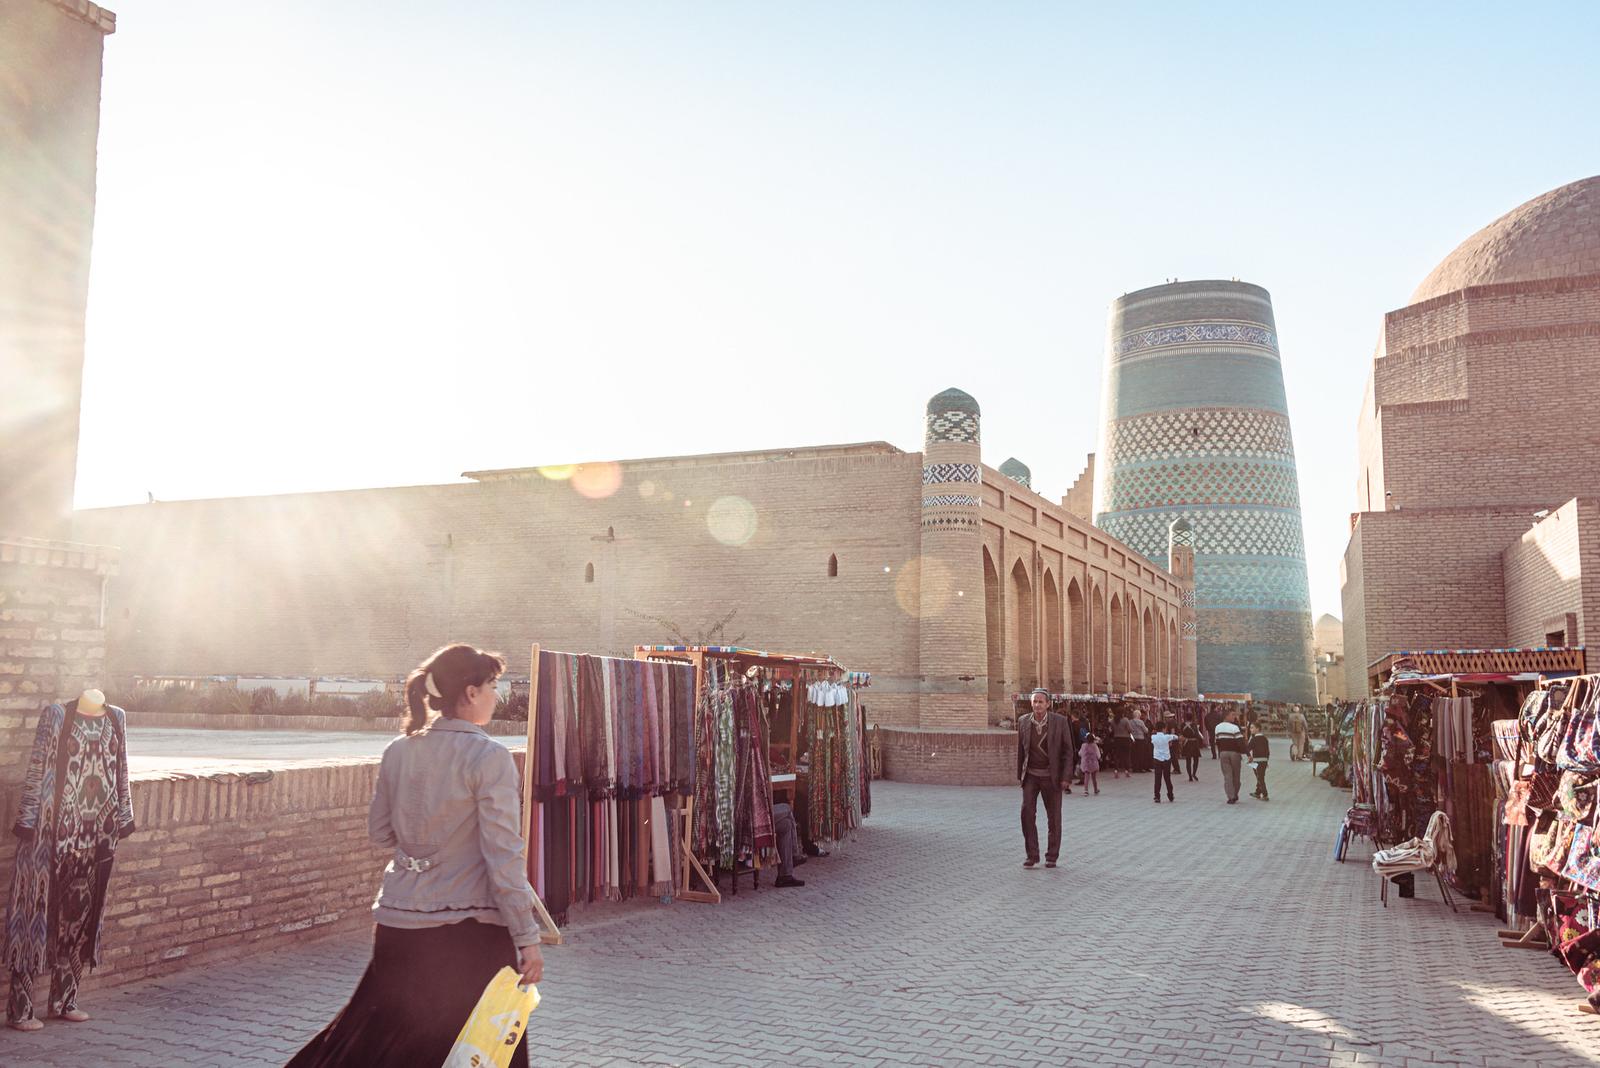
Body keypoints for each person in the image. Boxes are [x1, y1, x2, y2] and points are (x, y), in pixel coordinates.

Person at [289, 644, 544, 1067]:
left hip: (398, 924)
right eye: (493, 686)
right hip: (468, 936)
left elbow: (380, 831)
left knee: (377, 1047)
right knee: (484, 1050)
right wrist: (528, 938)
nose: (498, 696)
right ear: (470, 693)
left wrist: (423, 846)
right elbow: (504, 858)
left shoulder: (399, 750)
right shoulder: (490, 757)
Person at [6, 688, 135, 1032]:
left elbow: (121, 769)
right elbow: (37, 768)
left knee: (78, 924)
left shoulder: (117, 718)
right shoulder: (57, 716)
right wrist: (28, 823)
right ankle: (20, 1009)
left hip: (95, 840)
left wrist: (124, 817)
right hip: (50, 839)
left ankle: (65, 1001)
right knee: (35, 922)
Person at [1016, 689, 1073, 869]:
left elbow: (1068, 751)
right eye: (1035, 702)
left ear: (1048, 704)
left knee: (1053, 817)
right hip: (1031, 775)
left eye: (1041, 702)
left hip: (1052, 776)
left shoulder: (1060, 722)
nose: (1037, 705)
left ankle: (1052, 856)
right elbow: (1021, 750)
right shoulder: (1023, 722)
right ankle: (1032, 855)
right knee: (1027, 815)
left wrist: (1066, 777)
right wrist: (1021, 775)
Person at [1214, 709, 1247, 804]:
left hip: (1223, 753)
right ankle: (1235, 794)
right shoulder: (1235, 728)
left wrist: (1220, 753)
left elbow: (1217, 742)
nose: (1234, 717)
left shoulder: (1217, 727)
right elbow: (1240, 742)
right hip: (1234, 754)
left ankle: (1230, 796)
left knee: (1227, 776)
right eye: (1232, 715)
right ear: (1226, 716)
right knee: (1236, 775)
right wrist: (1247, 754)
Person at [772, 803, 805, 887]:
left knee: (786, 824)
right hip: (756, 816)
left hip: (758, 814)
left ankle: (785, 877)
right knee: (787, 808)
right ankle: (794, 855)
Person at [1149, 721, 1178, 803]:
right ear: (1163, 728)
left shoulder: (1153, 737)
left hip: (1157, 758)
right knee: (1167, 778)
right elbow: (1175, 737)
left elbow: (1152, 741)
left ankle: (1157, 796)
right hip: (1166, 759)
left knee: (1157, 778)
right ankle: (1170, 794)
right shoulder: (1167, 737)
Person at [1248, 724, 1272, 801]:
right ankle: (1258, 792)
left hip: (1256, 761)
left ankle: (1265, 794)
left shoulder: (1254, 739)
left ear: (1257, 729)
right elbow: (1267, 751)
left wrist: (1249, 756)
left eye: (1252, 728)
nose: (1250, 729)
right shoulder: (1265, 739)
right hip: (1264, 761)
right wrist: (1266, 760)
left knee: (1260, 778)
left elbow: (1247, 748)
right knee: (1260, 776)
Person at [1179, 716, 1203, 782]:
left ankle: (1190, 776)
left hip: (1186, 744)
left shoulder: (1182, 725)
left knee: (1188, 760)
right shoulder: (1194, 725)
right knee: (1196, 759)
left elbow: (1181, 733)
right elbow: (1197, 734)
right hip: (1194, 743)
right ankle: (1194, 773)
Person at [1110, 711, 1133, 779]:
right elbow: (1130, 729)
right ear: (1123, 713)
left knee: (1116, 756)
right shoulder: (1125, 720)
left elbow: (1112, 729)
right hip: (1125, 739)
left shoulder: (1113, 721)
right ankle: (1127, 771)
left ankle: (1116, 771)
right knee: (1126, 755)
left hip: (1116, 739)